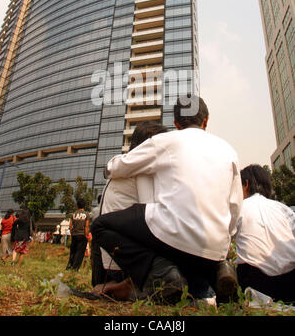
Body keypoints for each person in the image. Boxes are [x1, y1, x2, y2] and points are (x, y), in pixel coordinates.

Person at [92, 95, 243, 303]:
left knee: (100, 225)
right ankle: (220, 269)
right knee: (198, 266)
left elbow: (116, 167)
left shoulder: (165, 141)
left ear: (176, 123)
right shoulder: (229, 151)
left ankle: (161, 272)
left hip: (172, 235)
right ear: (206, 120)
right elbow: (235, 207)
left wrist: (109, 166)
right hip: (216, 248)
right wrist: (224, 239)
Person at [91, 121, 168, 289]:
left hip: (108, 257)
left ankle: (108, 286)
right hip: (123, 263)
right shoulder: (142, 170)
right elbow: (150, 213)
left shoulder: (121, 165)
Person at [234, 164, 295, 303]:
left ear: (246, 184)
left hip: (257, 282)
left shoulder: (240, 207)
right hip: (291, 283)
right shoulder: (284, 209)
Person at [66, 199, 90, 271]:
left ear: (77, 205)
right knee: (80, 253)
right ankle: (75, 268)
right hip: (82, 235)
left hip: (74, 234)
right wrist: (86, 235)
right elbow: (86, 226)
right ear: (84, 205)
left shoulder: (73, 214)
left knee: (73, 251)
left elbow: (70, 225)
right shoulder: (86, 214)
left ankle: (69, 266)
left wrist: (72, 233)